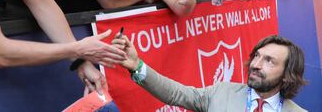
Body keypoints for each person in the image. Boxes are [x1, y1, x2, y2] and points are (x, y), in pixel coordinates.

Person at [112, 35, 307, 112]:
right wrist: (137, 65)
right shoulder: (222, 91)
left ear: (287, 75)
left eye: (269, 61)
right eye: (257, 56)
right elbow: (176, 93)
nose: (256, 64)